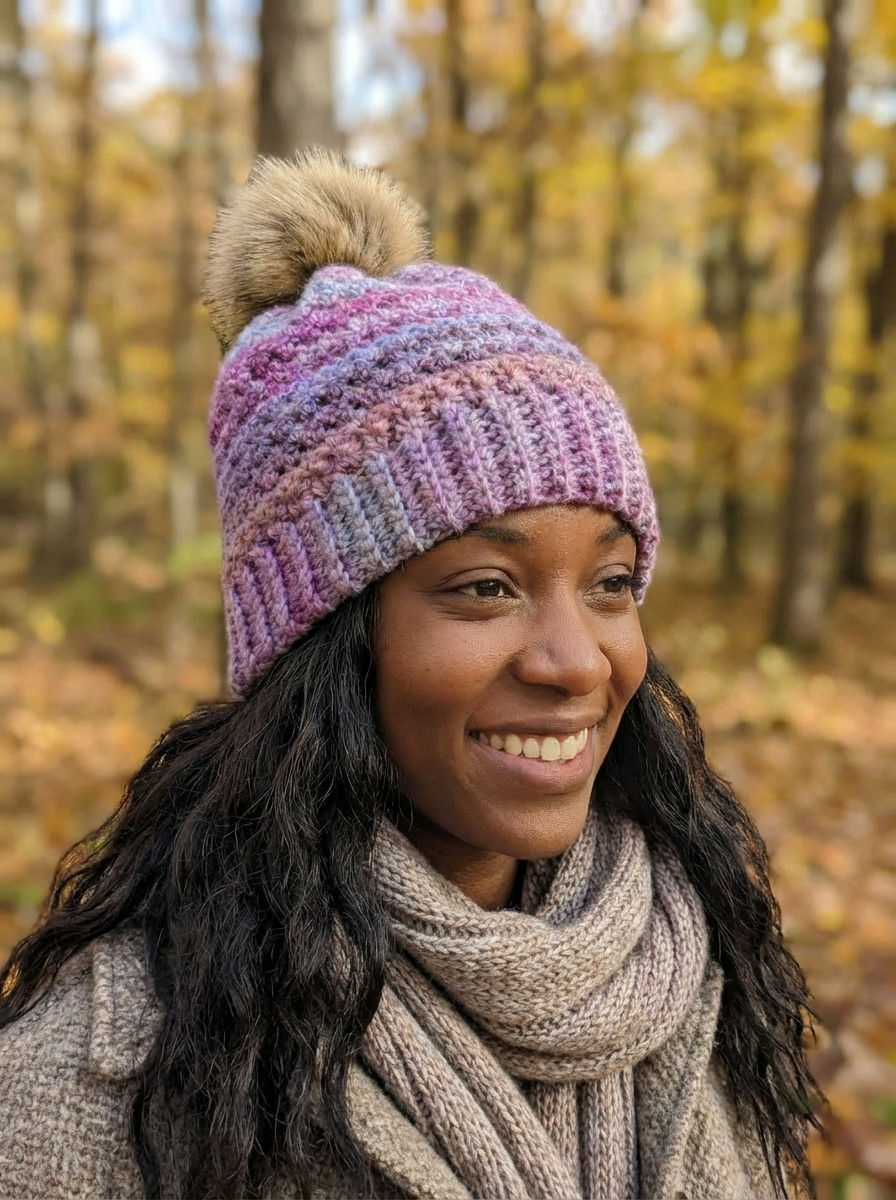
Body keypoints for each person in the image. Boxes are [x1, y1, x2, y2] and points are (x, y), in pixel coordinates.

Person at [0, 149, 820, 1200]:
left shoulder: (691, 966)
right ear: (322, 640)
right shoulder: (101, 1078)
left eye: (610, 582)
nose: (576, 660)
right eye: (485, 587)